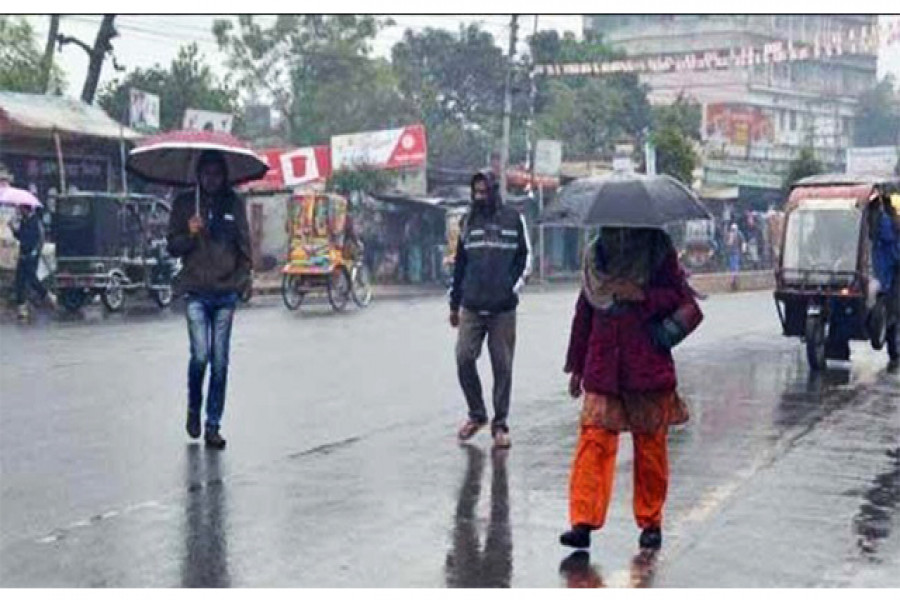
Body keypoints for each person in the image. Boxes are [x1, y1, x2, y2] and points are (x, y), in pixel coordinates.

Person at [559, 228, 701, 552]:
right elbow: (584, 314)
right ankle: (582, 521)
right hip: (602, 364)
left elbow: (680, 299)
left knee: (650, 447)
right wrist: (577, 366)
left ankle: (651, 521)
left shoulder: (658, 250)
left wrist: (641, 295)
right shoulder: (596, 256)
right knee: (593, 441)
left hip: (645, 363)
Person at [167, 150, 252, 449]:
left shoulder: (234, 205)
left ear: (224, 176)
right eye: (207, 174)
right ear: (199, 175)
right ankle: (193, 407)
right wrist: (190, 234)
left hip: (226, 294)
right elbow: (172, 247)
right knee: (200, 356)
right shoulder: (185, 204)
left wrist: (241, 282)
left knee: (220, 362)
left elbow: (245, 250)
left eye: (217, 174)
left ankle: (213, 424)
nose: (212, 179)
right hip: (195, 292)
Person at [449, 170, 532, 449]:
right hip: (471, 306)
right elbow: (460, 265)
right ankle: (477, 414)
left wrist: (512, 288)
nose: (479, 197)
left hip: (503, 309)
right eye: (476, 192)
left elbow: (526, 258)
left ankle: (500, 425)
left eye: (484, 192)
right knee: (463, 358)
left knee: (502, 367)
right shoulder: (467, 222)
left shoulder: (514, 219)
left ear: (494, 191)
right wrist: (454, 304)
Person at [9, 203, 57, 320]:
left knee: (31, 279)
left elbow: (39, 238)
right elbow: (21, 236)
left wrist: (35, 251)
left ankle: (47, 295)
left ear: (26, 209)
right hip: (23, 253)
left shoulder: (35, 221)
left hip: (32, 254)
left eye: (21, 209)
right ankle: (22, 308)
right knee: (19, 281)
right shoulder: (24, 221)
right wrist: (13, 229)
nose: (20, 211)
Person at [725, 222, 745, 290]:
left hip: (736, 252)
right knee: (732, 265)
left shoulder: (739, 234)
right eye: (732, 229)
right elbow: (727, 243)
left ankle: (735, 277)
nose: (733, 230)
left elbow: (743, 241)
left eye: (734, 229)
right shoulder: (729, 234)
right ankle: (733, 277)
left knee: (735, 265)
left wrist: (743, 249)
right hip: (731, 252)